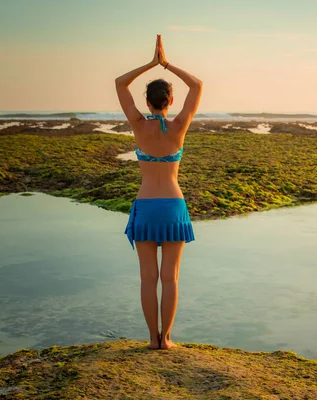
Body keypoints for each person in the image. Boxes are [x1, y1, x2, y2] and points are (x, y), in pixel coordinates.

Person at [115, 34, 203, 350]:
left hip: (146, 206)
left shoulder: (139, 124)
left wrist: (150, 64)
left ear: (148, 101)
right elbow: (197, 85)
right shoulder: (179, 126)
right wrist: (167, 64)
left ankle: (152, 340)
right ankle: (166, 340)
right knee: (171, 278)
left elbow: (119, 84)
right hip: (174, 206)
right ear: (170, 101)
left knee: (148, 279)